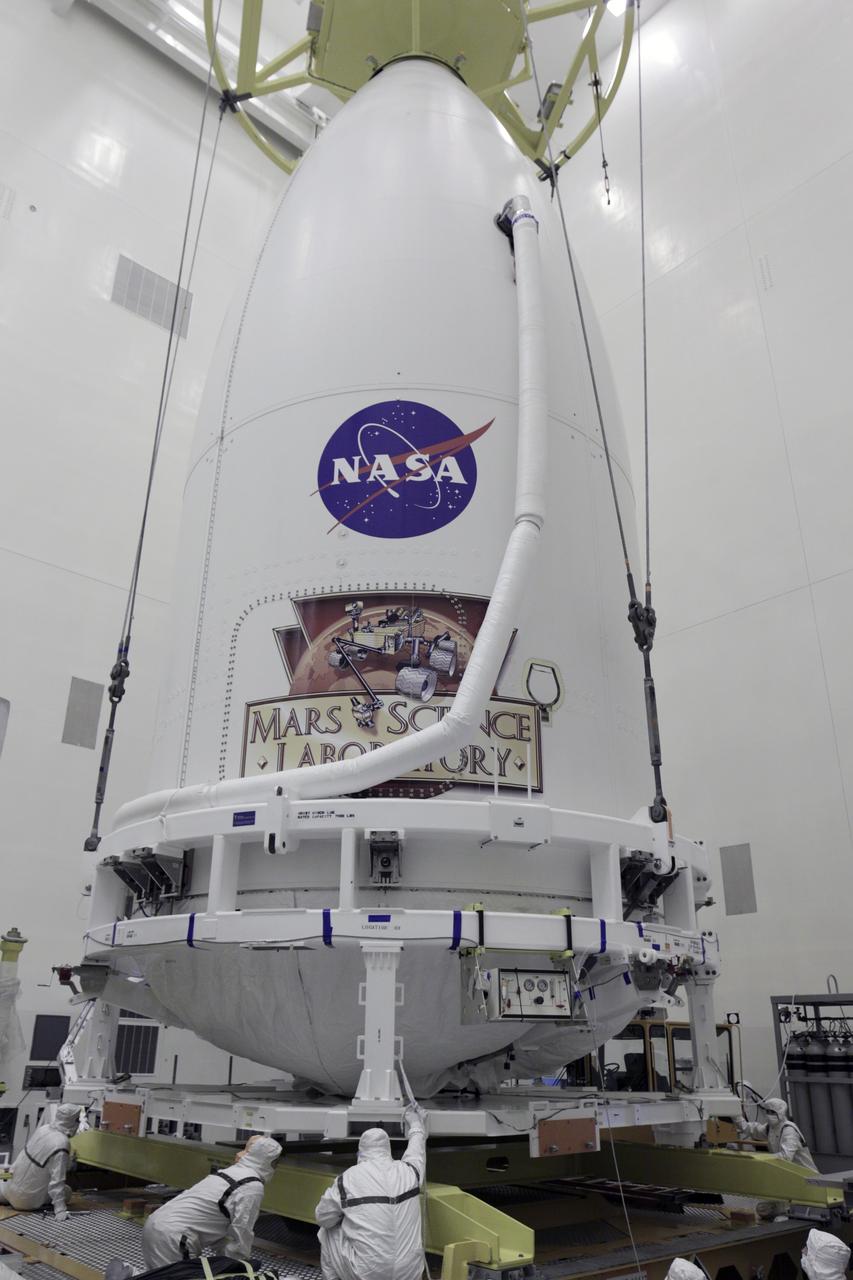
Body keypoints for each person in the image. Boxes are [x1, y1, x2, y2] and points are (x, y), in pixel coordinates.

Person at [315, 1105, 427, 1280]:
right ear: (387, 1150)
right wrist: (415, 1122)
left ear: (361, 1152)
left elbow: (323, 1217)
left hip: (368, 1274)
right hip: (410, 1273)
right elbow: (416, 1150)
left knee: (327, 1231)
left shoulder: (347, 1179)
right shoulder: (409, 1171)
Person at [141, 1135, 282, 1269]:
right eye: (275, 1162)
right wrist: (240, 1265)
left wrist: (226, 1257)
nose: (276, 1166)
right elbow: (241, 1230)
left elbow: (215, 1228)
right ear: (266, 1160)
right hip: (174, 1238)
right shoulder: (252, 1186)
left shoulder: (230, 1172)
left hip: (156, 1226)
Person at [735, 1096, 816, 1219]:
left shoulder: (789, 1130)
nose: (768, 1115)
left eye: (772, 1112)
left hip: (805, 1179)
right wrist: (735, 1115)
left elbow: (786, 1156)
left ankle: (790, 1214)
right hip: (787, 1176)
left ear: (780, 1113)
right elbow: (750, 1129)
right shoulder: (770, 1128)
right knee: (762, 1209)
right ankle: (786, 1210)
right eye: (767, 1111)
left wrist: (762, 1159)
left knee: (783, 1215)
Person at [0, 1103, 80, 1218]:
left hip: (9, 1189)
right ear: (72, 1121)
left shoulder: (43, 1129)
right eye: (77, 1120)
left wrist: (6, 1176)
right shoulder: (62, 1143)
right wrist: (60, 1210)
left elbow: (22, 1158)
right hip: (27, 1201)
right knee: (67, 1192)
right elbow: (57, 1181)